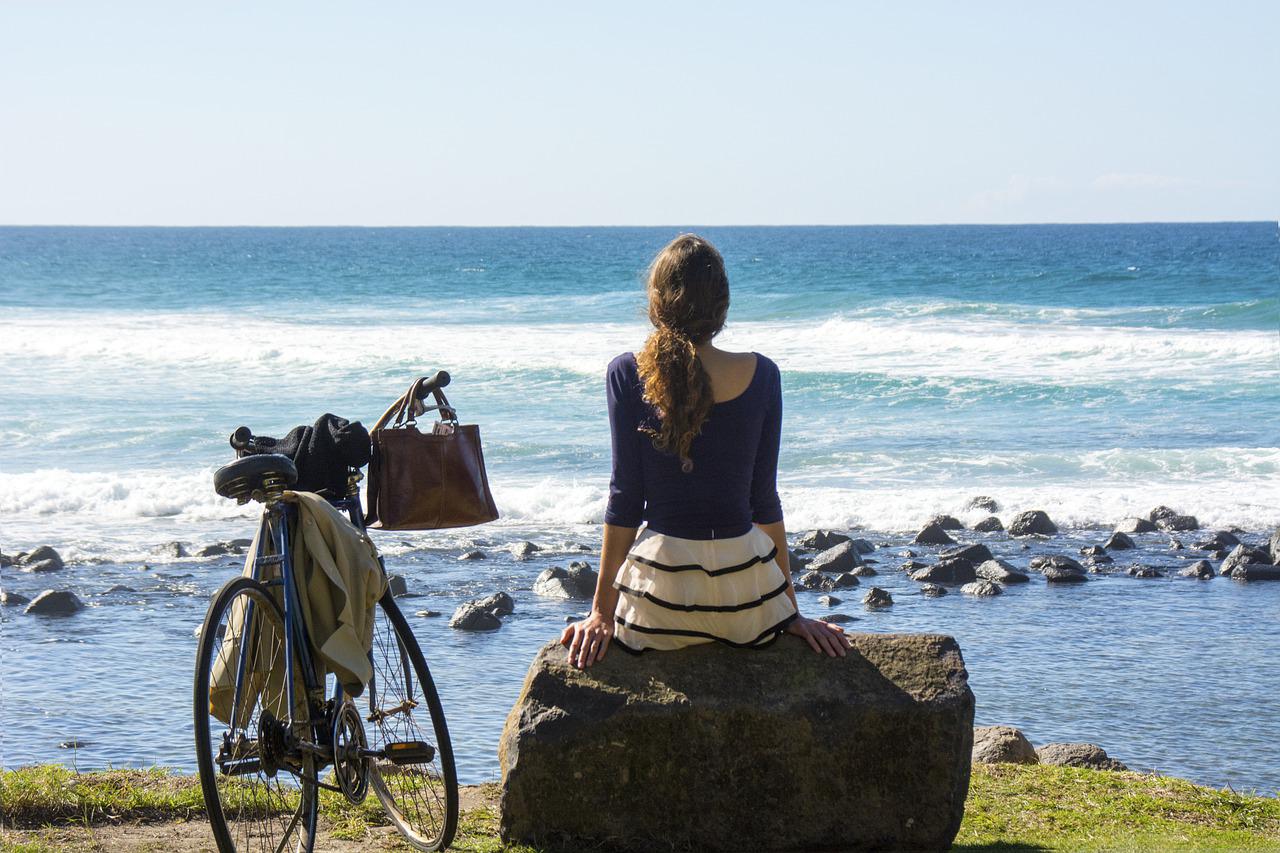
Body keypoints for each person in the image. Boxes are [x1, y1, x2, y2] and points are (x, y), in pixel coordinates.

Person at [560, 234, 852, 669]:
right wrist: (788, 612)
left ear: (657, 302)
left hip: (658, 610)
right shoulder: (763, 374)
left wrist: (600, 613)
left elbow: (625, 499)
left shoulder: (626, 372)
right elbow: (763, 501)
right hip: (749, 610)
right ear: (722, 305)